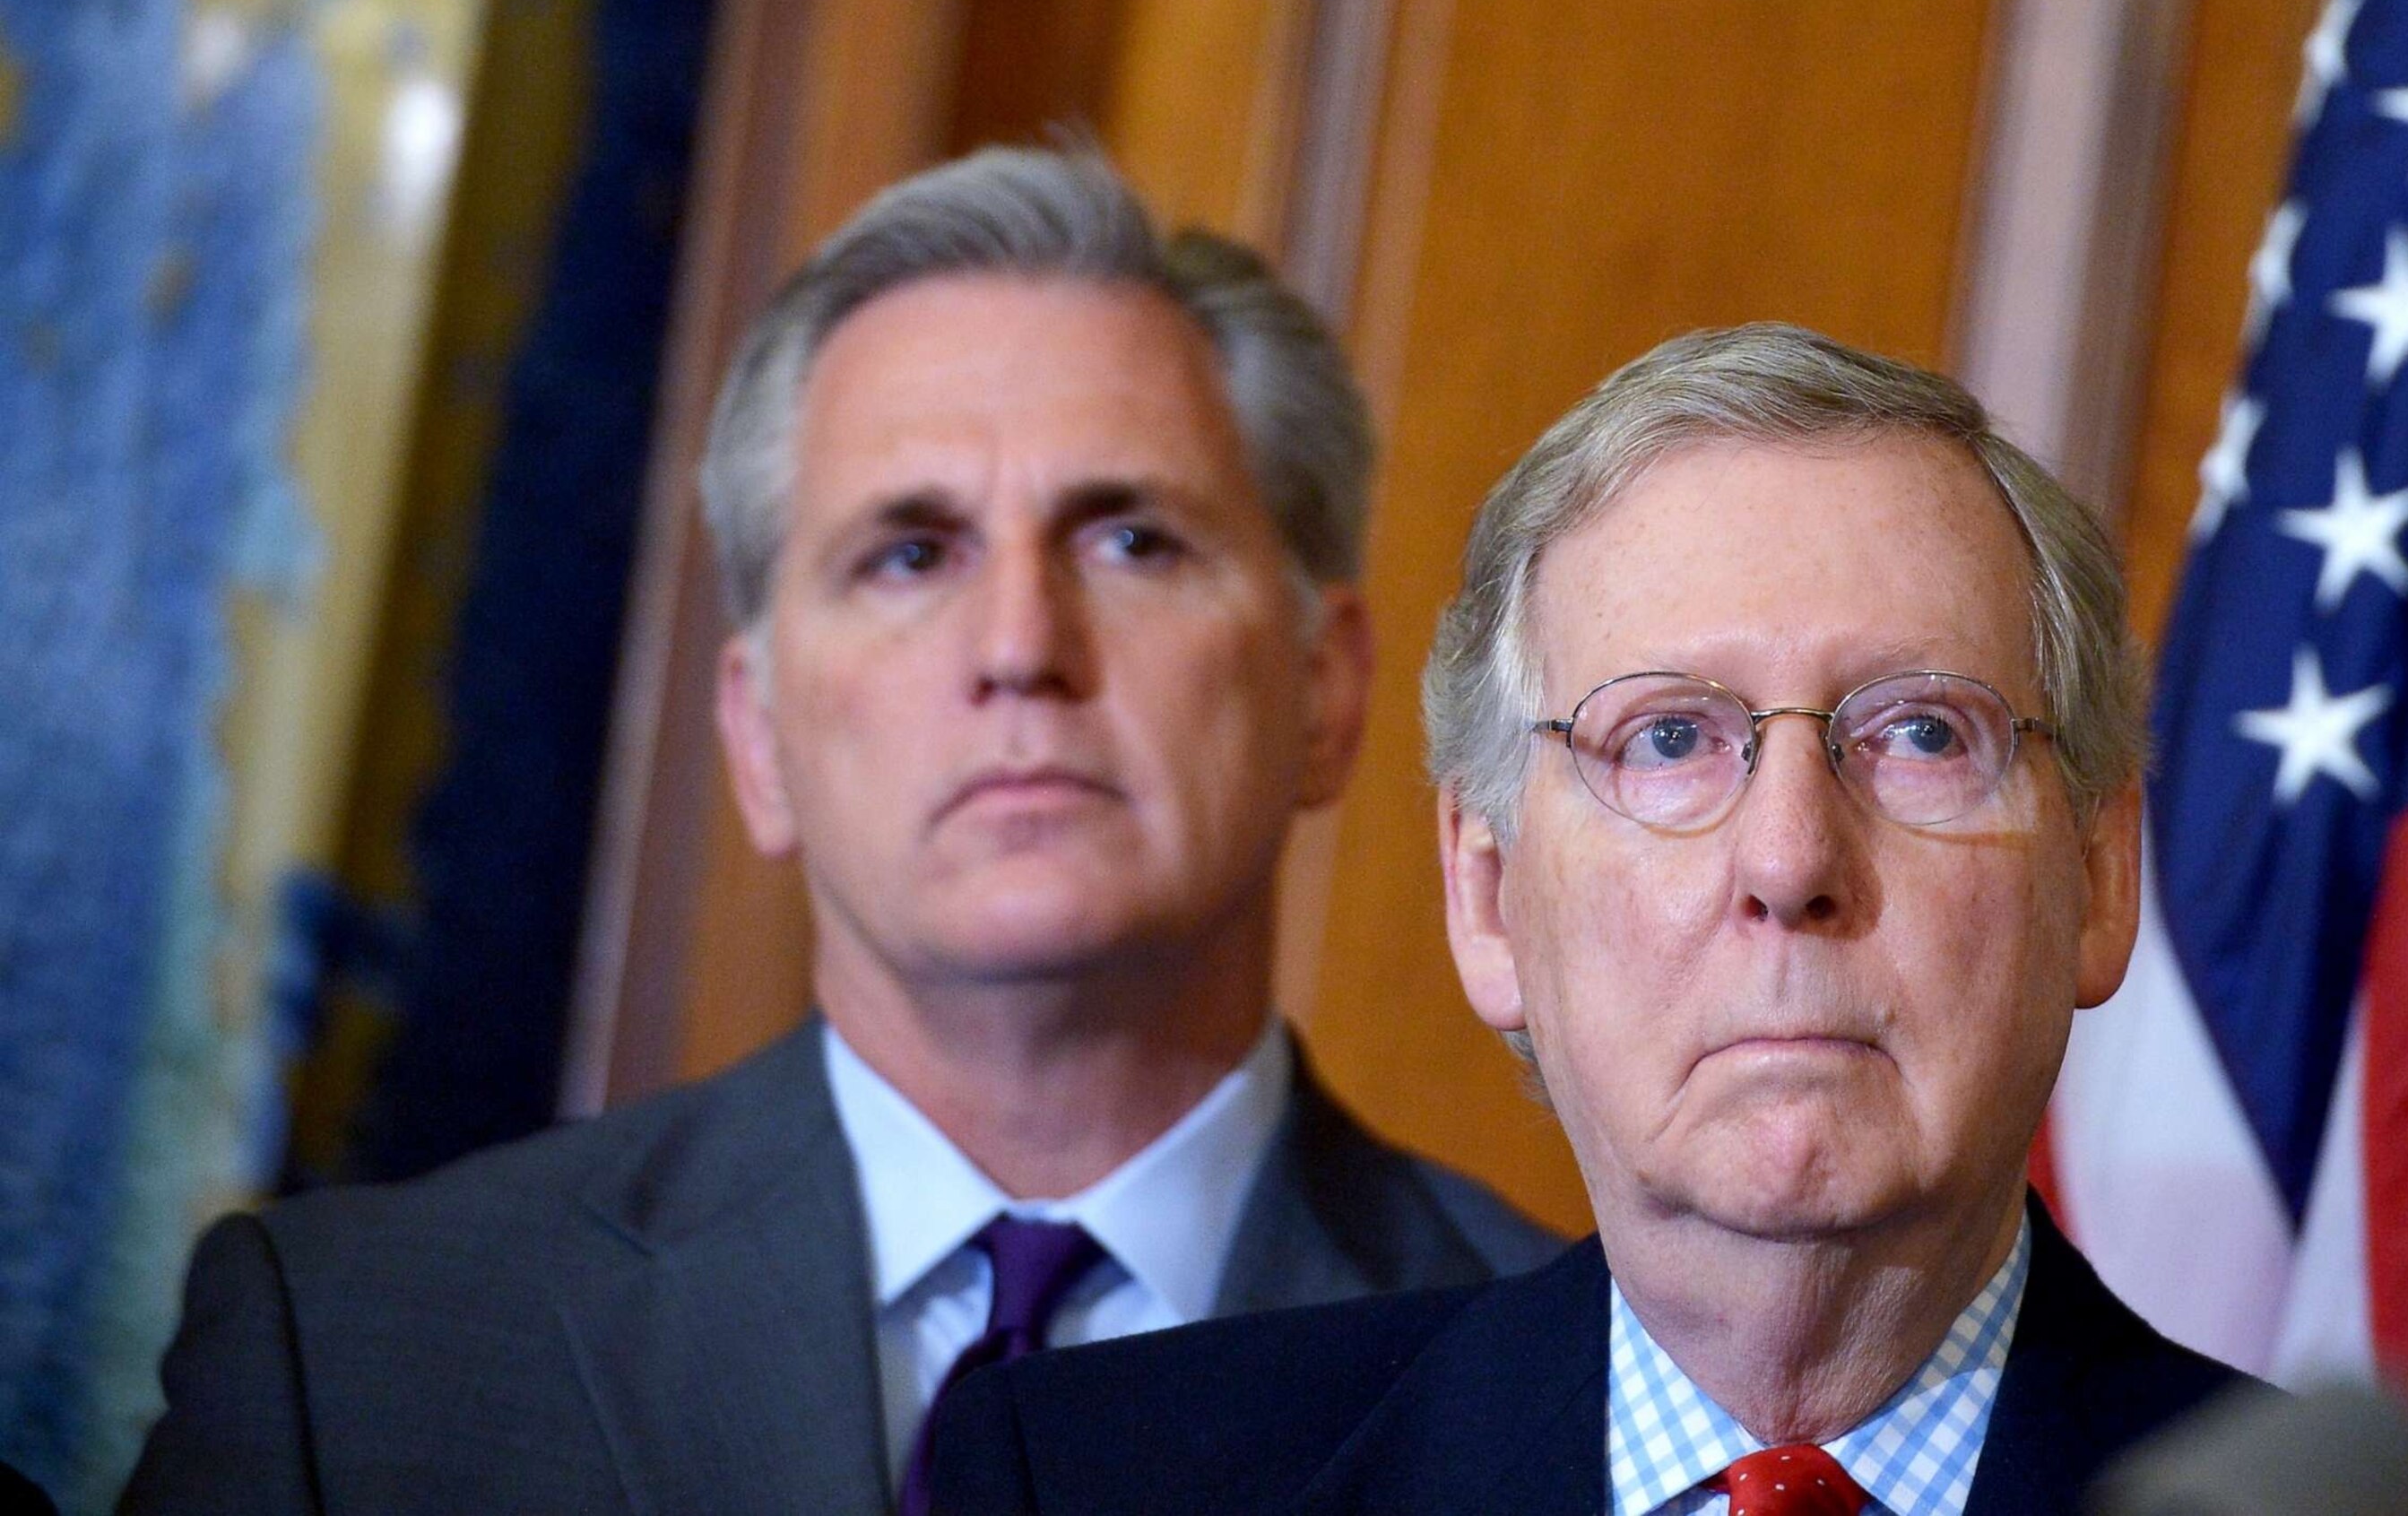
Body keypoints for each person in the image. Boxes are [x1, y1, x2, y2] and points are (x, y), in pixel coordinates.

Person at [121, 146, 1556, 1514]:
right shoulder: (354, 1358)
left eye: (1132, 540)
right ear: (756, 737)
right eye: (910, 554)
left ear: (1324, 689)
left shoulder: (1583, 1397)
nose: (1017, 644)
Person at [928, 324, 2255, 1515]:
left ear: (2098, 872)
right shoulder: (1100, 1483)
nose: (1790, 860)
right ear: (1490, 894)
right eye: (1668, 737)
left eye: (1918, 733)